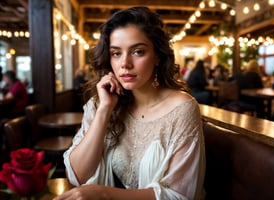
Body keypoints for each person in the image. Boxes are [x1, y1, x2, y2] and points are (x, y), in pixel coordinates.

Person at [55, 6, 205, 200]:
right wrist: (104, 111)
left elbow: (180, 195)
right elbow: (76, 176)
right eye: (116, 53)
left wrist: (104, 194)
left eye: (138, 52)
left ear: (158, 56)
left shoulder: (181, 108)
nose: (125, 63)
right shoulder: (101, 102)